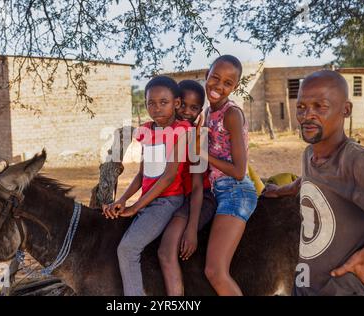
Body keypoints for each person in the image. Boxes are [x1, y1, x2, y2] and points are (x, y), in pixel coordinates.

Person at [263, 70, 364, 296]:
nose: (307, 115)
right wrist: (280, 191)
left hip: (343, 290)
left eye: (320, 106)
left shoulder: (359, 163)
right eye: (301, 107)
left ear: (345, 110)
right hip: (305, 286)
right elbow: (307, 182)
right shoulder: (309, 155)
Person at [102, 76, 190, 296]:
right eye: (151, 102)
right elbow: (143, 174)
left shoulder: (181, 131)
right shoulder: (146, 131)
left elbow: (169, 176)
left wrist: (137, 206)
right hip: (149, 199)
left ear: (176, 103)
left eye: (163, 102)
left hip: (168, 200)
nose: (156, 108)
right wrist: (122, 199)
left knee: (127, 249)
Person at [202, 55, 258, 295]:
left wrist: (201, 155)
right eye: (215, 78)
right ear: (207, 75)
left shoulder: (231, 114)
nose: (219, 86)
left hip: (236, 192)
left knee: (215, 272)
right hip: (218, 190)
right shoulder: (206, 113)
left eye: (227, 83)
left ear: (235, 87)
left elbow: (238, 170)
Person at [157, 80, 217, 296]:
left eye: (194, 108)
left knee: (165, 251)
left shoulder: (196, 138)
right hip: (180, 198)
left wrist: (191, 228)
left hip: (200, 199)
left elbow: (199, 187)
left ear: (200, 111)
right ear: (175, 102)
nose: (186, 112)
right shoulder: (170, 133)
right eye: (183, 105)